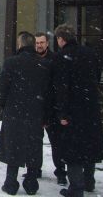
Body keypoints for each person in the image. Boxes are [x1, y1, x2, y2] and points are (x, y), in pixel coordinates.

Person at [52, 24, 103, 197]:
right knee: (89, 146)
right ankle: (89, 181)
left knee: (73, 150)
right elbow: (97, 77)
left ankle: (76, 188)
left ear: (61, 39)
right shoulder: (90, 54)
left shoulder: (61, 57)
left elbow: (61, 87)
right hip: (90, 108)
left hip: (72, 110)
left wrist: (62, 112)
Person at [0, 31, 50, 196]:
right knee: (34, 147)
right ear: (34, 45)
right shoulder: (44, 64)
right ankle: (32, 183)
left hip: (14, 112)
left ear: (20, 44)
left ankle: (11, 182)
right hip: (36, 113)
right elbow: (49, 93)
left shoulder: (11, 63)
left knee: (13, 147)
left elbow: (2, 89)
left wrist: (3, 104)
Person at [35, 31, 67, 185]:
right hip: (36, 108)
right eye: (36, 43)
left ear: (47, 43)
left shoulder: (55, 59)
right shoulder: (31, 59)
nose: (39, 45)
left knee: (57, 143)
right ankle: (35, 169)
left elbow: (58, 86)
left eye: (41, 42)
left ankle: (61, 172)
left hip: (52, 108)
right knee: (35, 141)